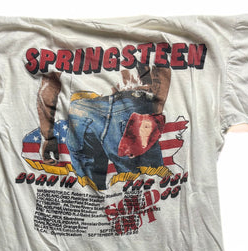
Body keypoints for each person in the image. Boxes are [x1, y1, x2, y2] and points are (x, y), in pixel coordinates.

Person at [37, 64, 171, 190]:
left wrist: (48, 137)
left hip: (81, 110)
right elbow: (162, 66)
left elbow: (49, 85)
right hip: (128, 103)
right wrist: (156, 113)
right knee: (148, 186)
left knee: (87, 190)